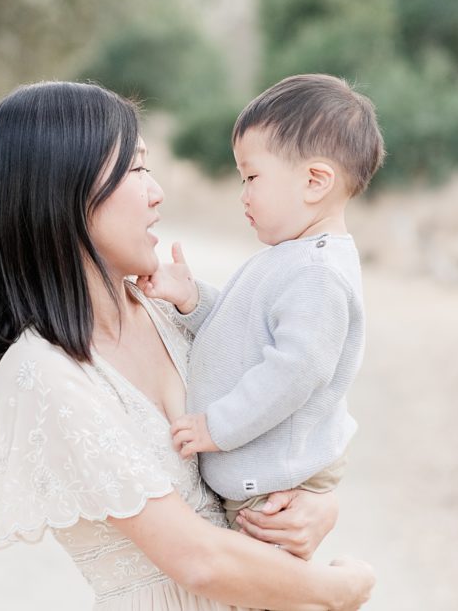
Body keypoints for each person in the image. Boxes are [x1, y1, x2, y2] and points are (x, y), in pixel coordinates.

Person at [0, 81, 376, 610]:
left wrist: (318, 506)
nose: (156, 192)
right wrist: (344, 588)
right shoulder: (45, 372)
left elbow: (297, 408)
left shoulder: (166, 313)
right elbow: (198, 560)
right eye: (135, 169)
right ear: (60, 192)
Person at [139, 74, 385, 527]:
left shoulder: (317, 272)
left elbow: (295, 373)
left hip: (269, 488)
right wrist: (192, 300)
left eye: (251, 176)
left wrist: (217, 425)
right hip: (256, 474)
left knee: (261, 585)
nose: (243, 194)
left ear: (315, 181)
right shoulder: (292, 256)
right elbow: (242, 331)